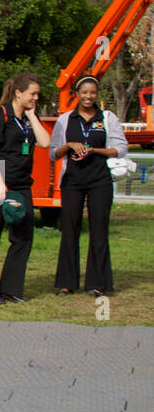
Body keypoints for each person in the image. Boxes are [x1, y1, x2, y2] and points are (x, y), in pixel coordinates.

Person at [0, 72, 51, 305]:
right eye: (32, 94)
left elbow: (45, 143)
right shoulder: (1, 114)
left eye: (37, 94)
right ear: (18, 92)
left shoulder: (29, 117)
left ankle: (11, 288)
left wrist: (32, 116)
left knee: (23, 236)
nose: (35, 98)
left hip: (22, 185)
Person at [50, 74, 127, 297]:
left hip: (100, 181)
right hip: (72, 181)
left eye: (92, 92)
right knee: (70, 229)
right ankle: (66, 283)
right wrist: (69, 146)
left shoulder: (107, 117)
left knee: (99, 230)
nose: (88, 96)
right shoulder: (65, 120)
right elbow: (53, 153)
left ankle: (98, 283)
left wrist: (94, 150)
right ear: (77, 94)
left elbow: (121, 149)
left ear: (96, 94)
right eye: (84, 92)